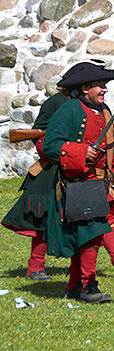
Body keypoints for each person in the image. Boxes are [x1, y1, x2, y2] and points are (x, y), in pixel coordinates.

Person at [42, 61, 114, 303]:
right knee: (91, 234)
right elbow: (50, 146)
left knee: (90, 233)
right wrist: (79, 152)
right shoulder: (69, 110)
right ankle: (88, 285)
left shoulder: (104, 111)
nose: (105, 90)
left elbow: (110, 143)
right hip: (79, 184)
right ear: (85, 88)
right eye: (100, 86)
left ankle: (76, 285)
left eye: (105, 86)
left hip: (101, 183)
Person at [2, 75, 75, 280]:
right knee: (41, 218)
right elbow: (40, 134)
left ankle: (78, 266)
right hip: (52, 167)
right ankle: (35, 267)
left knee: (80, 217)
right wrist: (58, 153)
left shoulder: (86, 104)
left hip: (77, 167)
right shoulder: (57, 102)